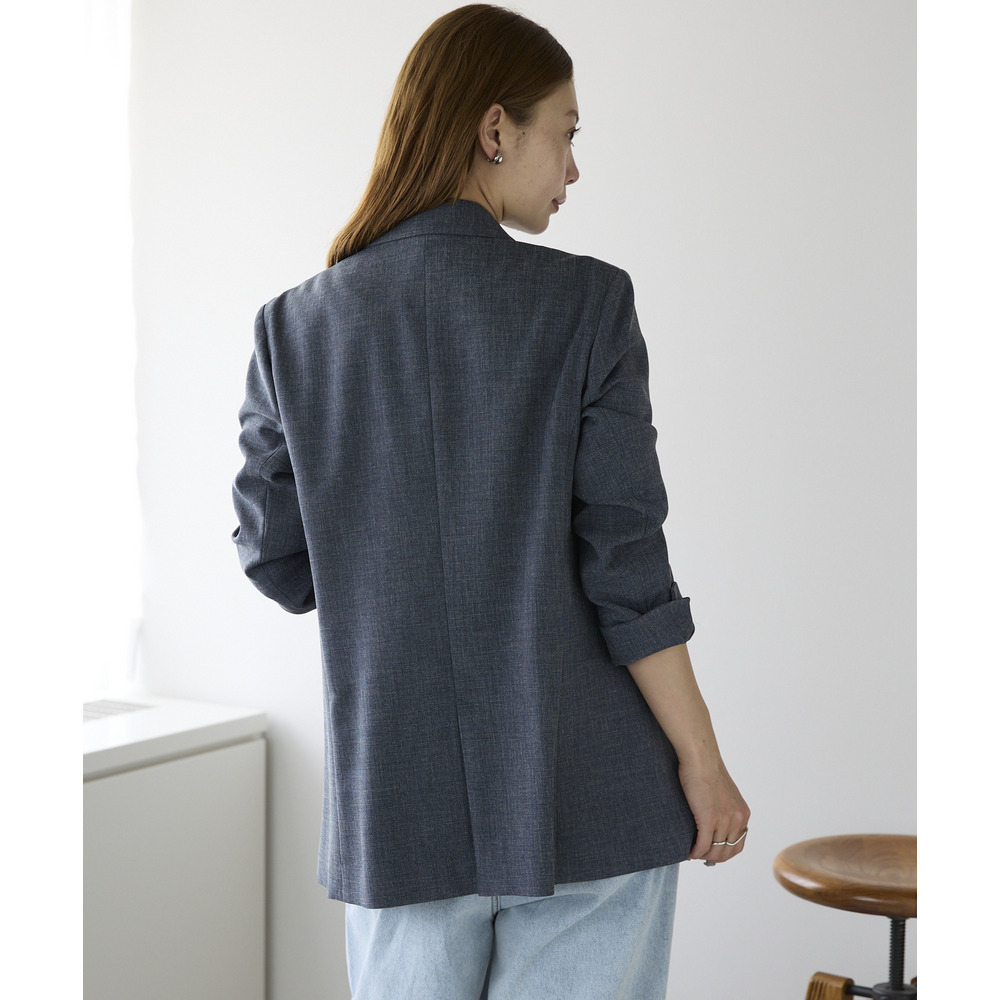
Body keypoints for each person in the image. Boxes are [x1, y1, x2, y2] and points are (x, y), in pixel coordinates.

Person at [232, 5, 749, 998]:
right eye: (567, 131)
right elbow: (627, 567)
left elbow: (277, 561)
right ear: (494, 128)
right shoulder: (589, 303)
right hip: (593, 796)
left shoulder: (292, 327)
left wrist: (385, 546)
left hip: (399, 806)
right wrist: (702, 760)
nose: (574, 167)